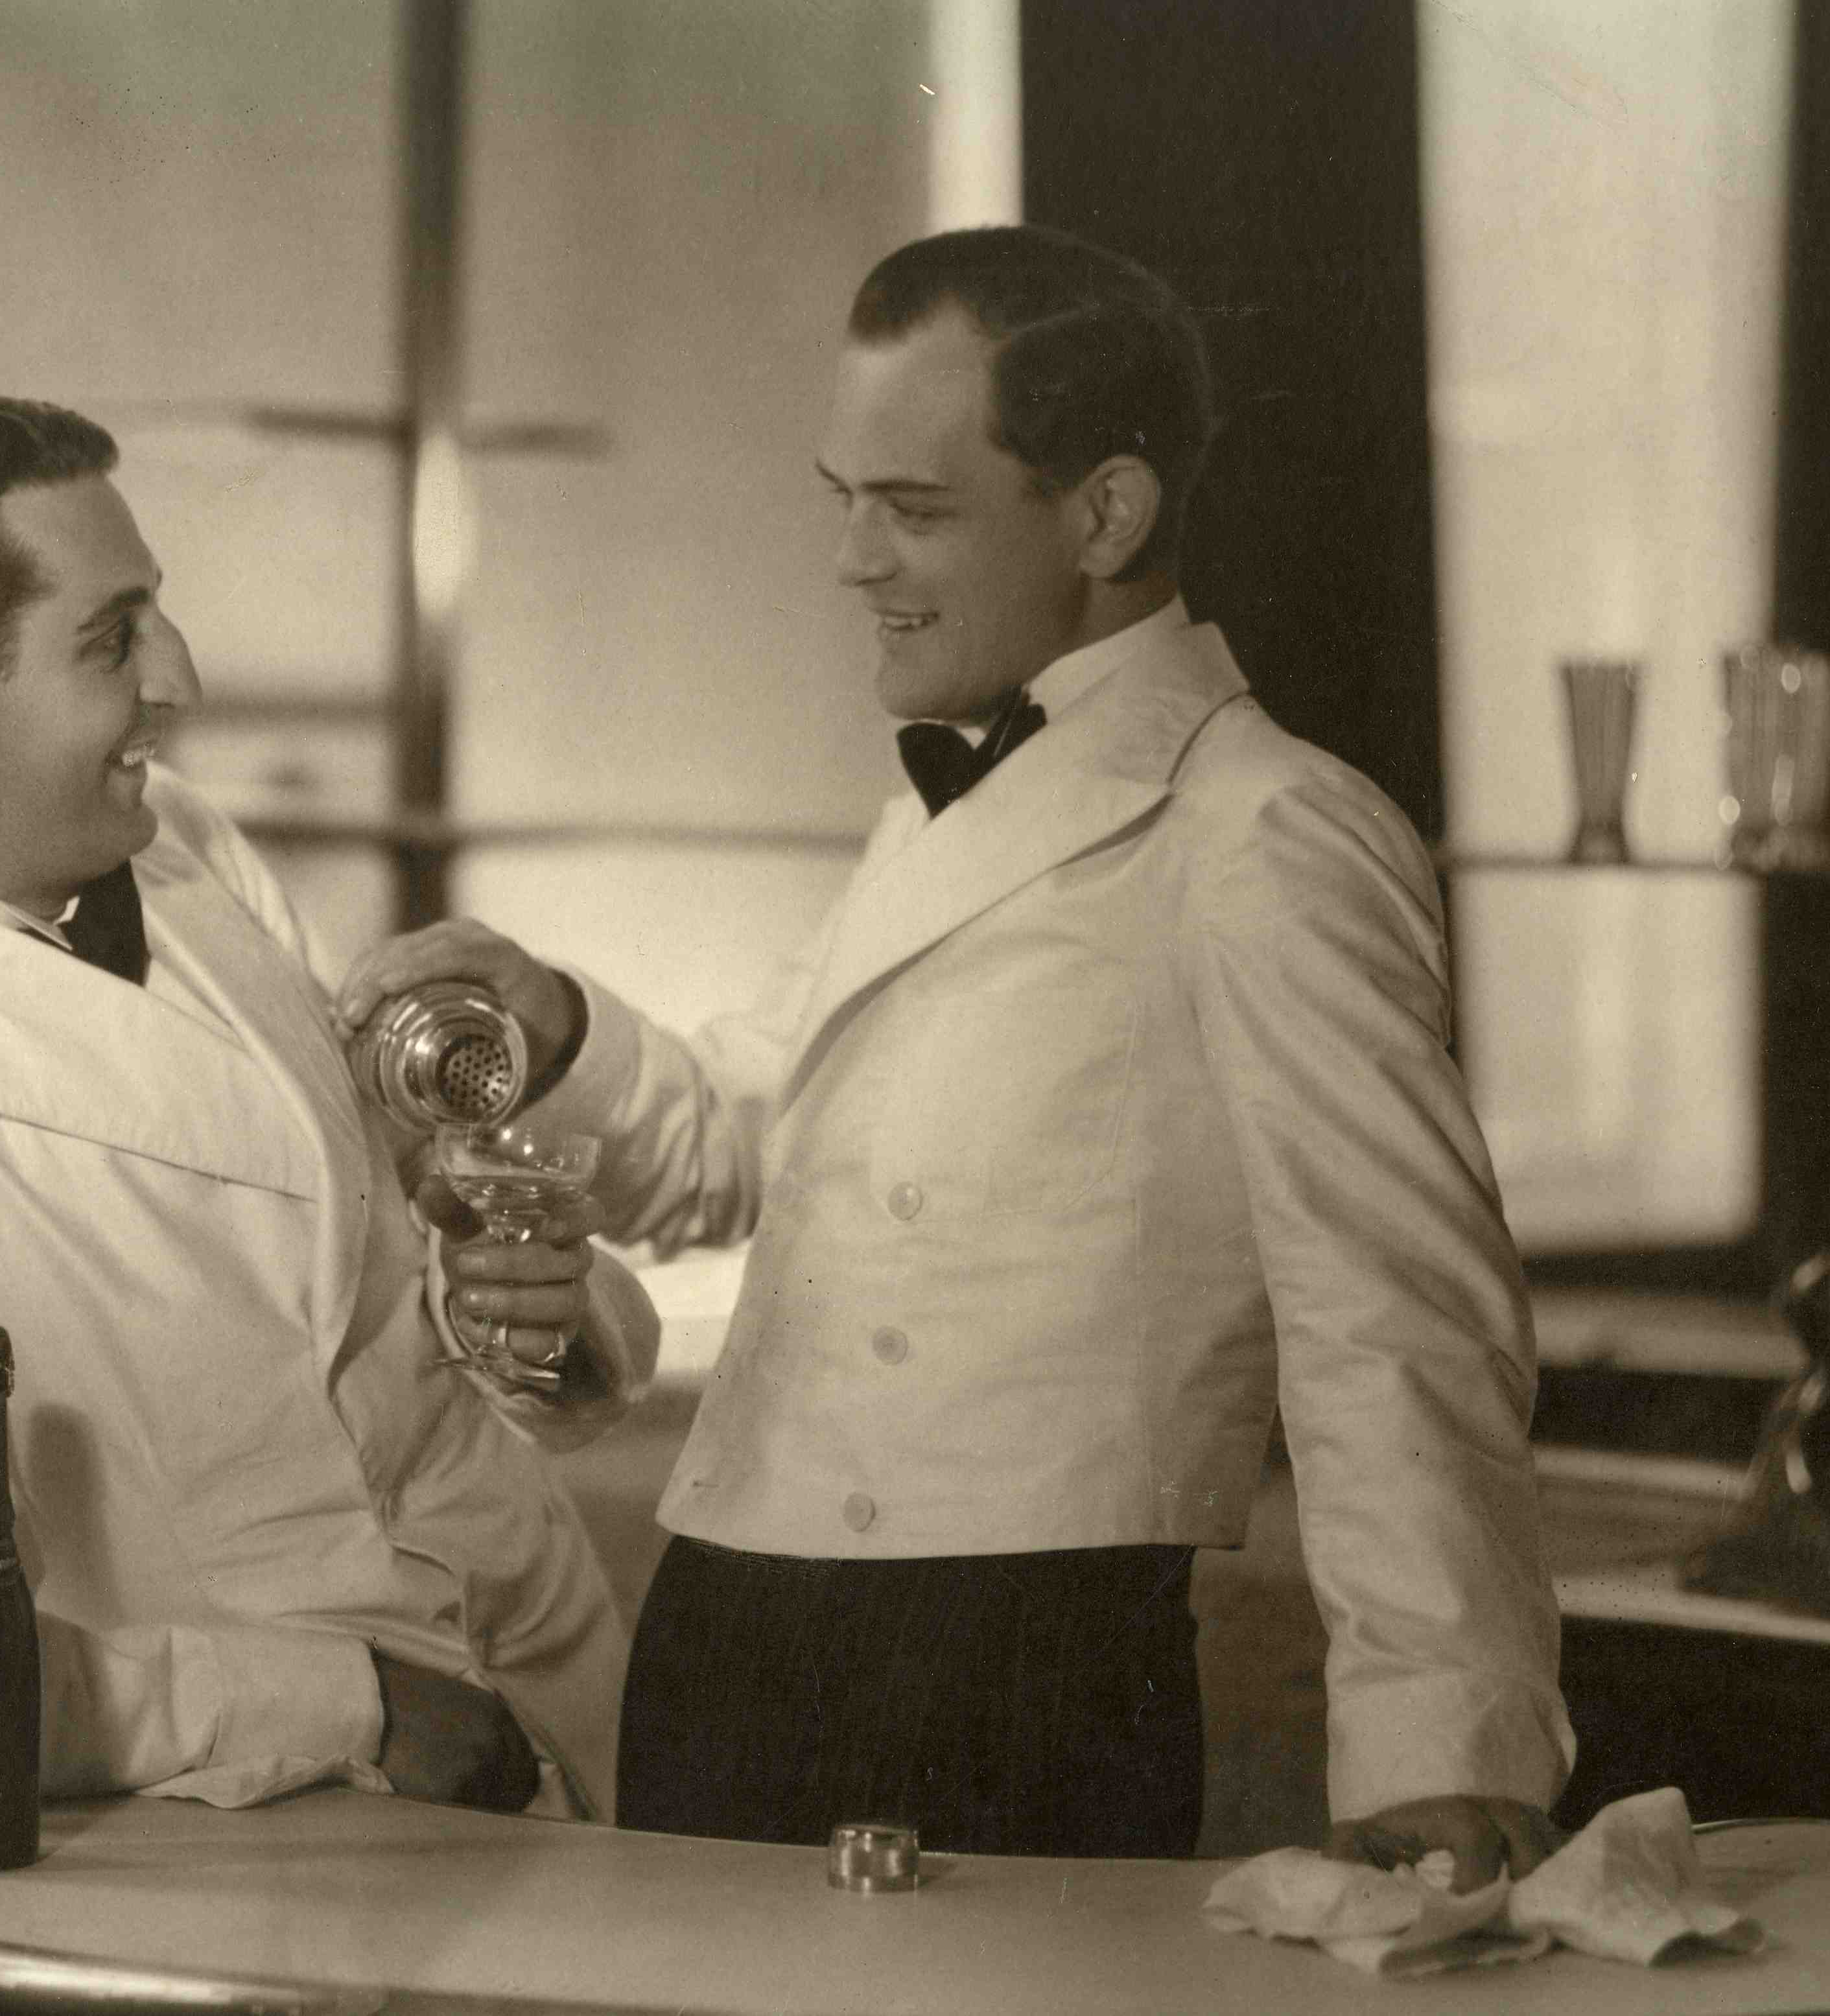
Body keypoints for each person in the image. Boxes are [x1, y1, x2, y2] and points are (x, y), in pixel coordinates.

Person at [335, 226, 1575, 1875]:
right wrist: (558, 1020)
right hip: (727, 1630)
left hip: (1007, 1669)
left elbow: (1400, 1326)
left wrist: (1443, 1757)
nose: (853, 560)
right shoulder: (943, 804)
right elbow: (745, 1149)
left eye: (913, 509)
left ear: (1106, 514)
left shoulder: (1267, 827)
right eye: (842, 498)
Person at [0, 394, 660, 1825]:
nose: (182, 677)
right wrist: (354, 1703)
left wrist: (535, 1321)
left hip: (570, 1666)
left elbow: (353, 1297)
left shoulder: (176, 843)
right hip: (325, 1823)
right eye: (112, 637)